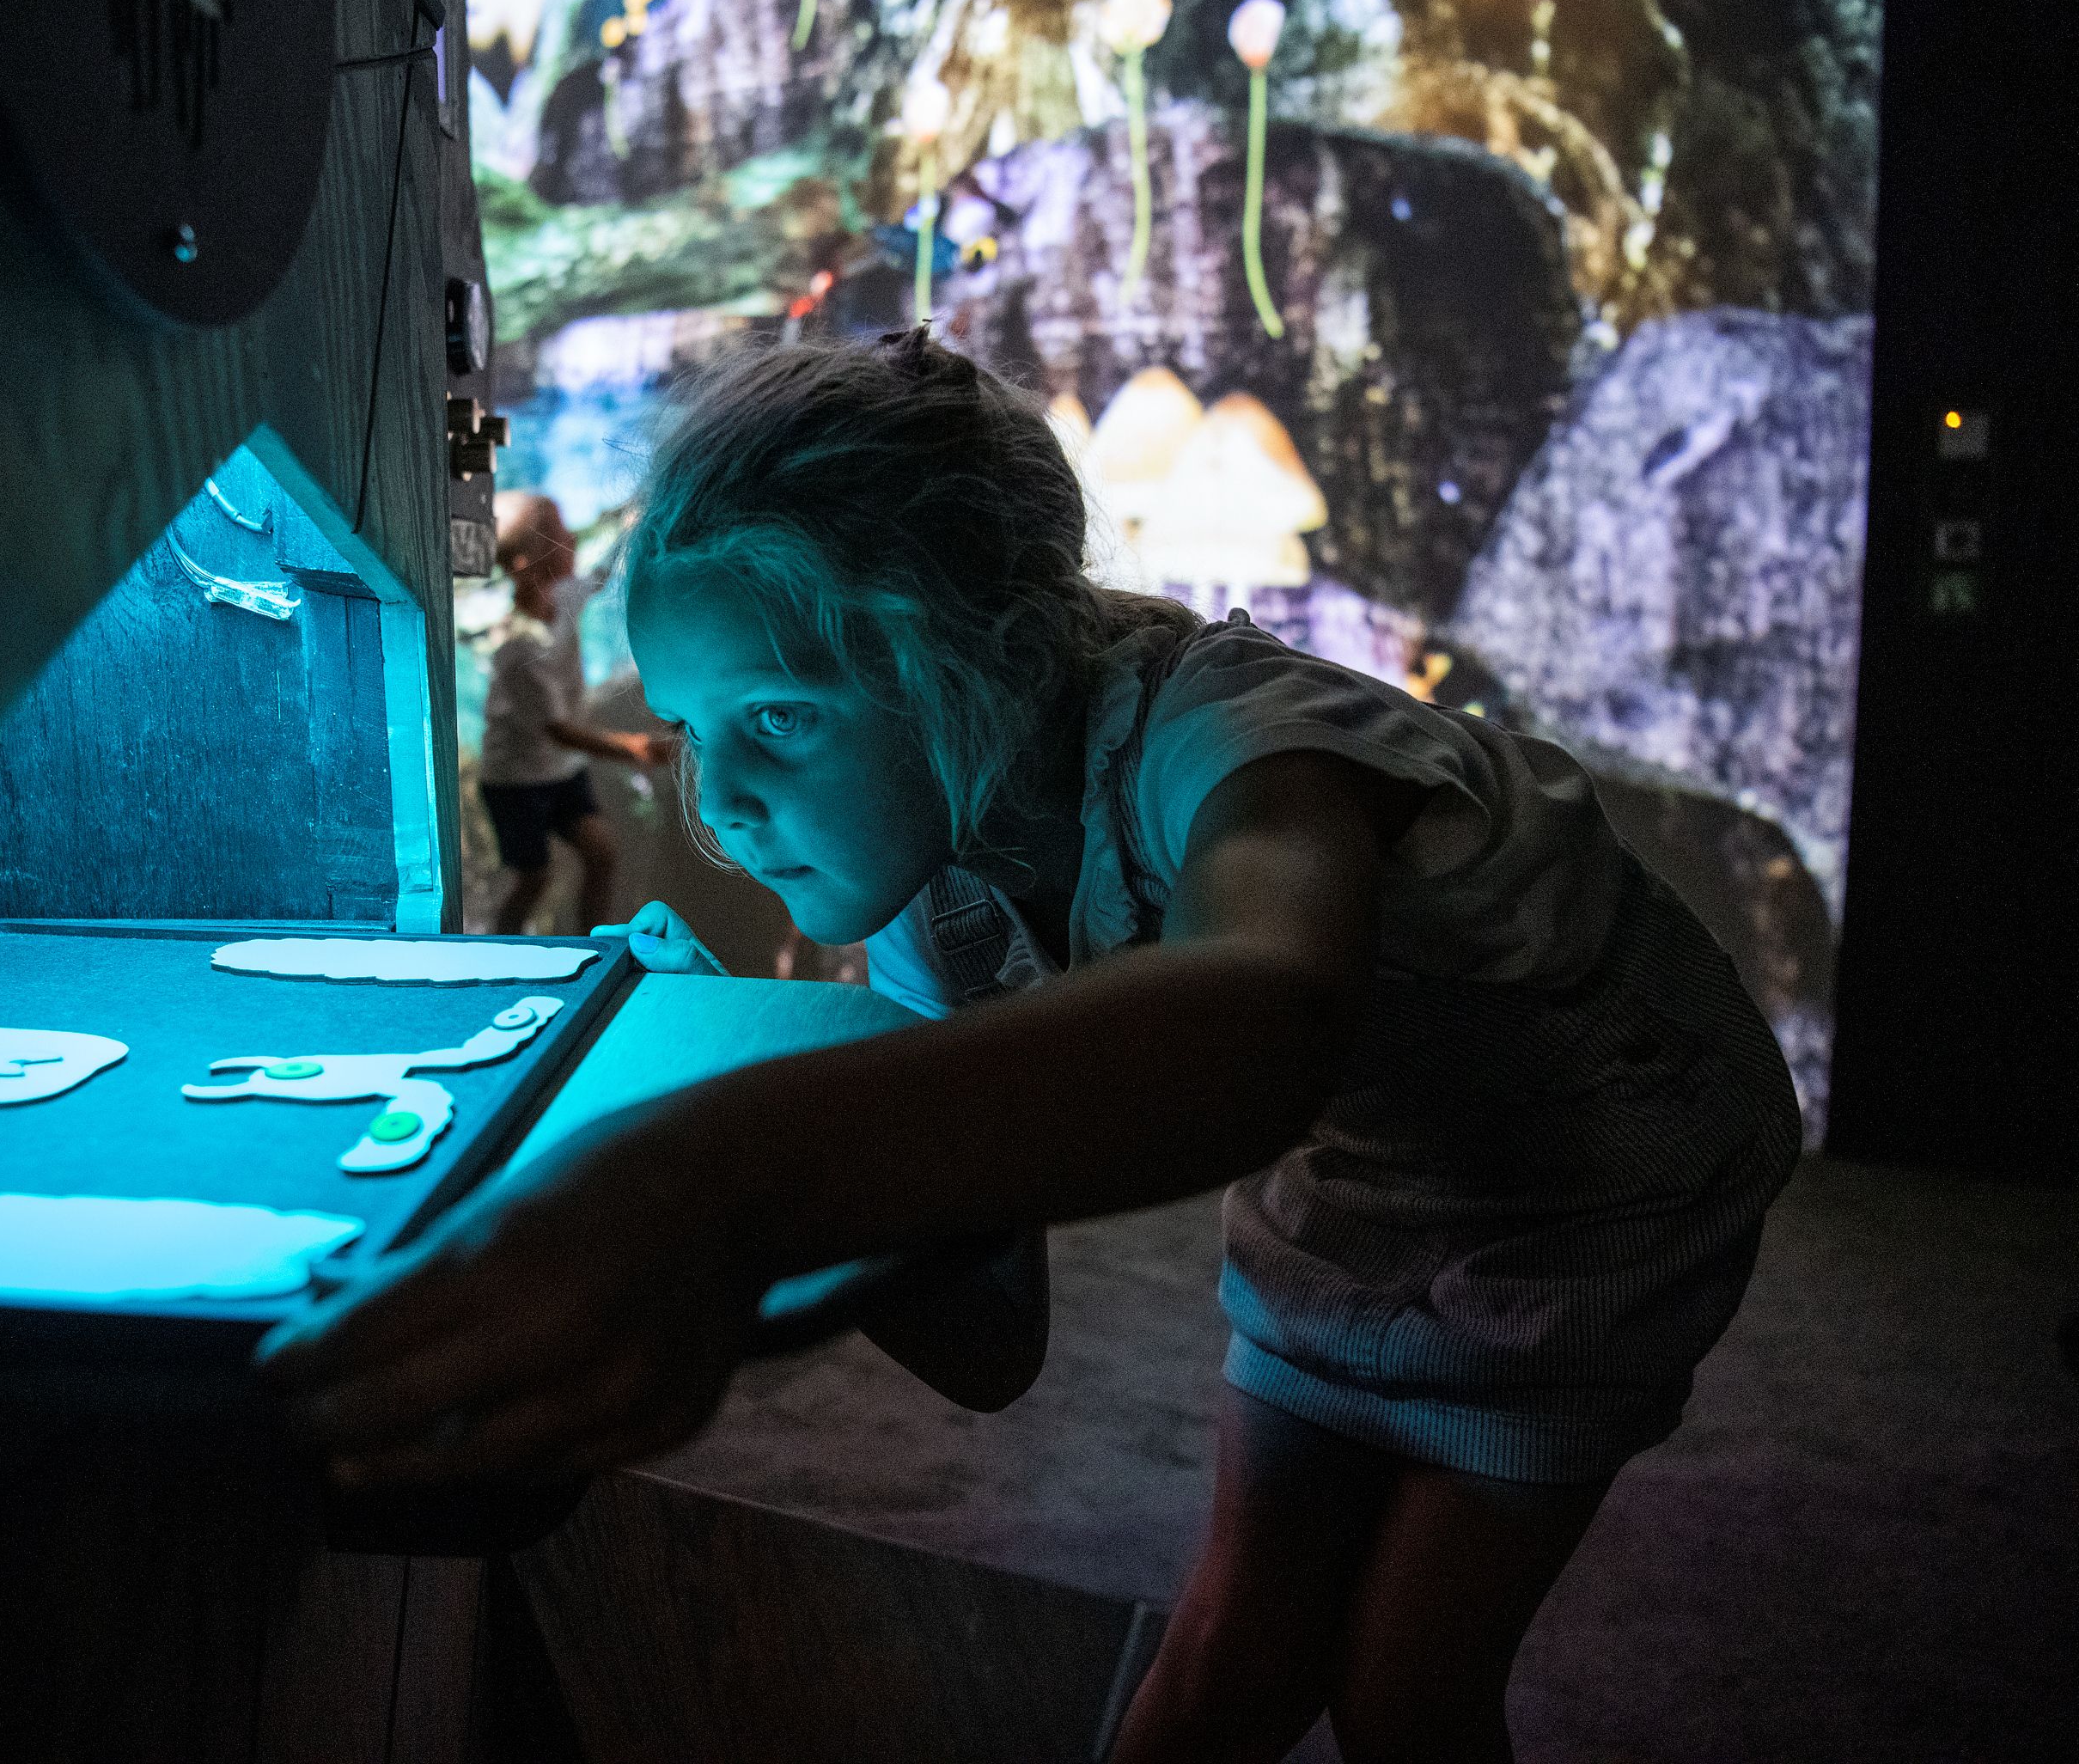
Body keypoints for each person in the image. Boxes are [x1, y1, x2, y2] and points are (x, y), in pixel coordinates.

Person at [262, 333, 1802, 1763]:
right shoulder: (944, 906)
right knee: (1232, 1654)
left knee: (1407, 1690)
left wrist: (719, 1175)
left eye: (780, 716)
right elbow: (990, 1330)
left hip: (1593, 1169)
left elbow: (1267, 1012)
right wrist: (729, 1072)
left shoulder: (1241, 739)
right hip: (1355, 1165)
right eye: (686, 731)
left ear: (967, 656)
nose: (714, 799)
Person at [477, 492, 673, 935]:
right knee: (533, 878)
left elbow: (600, 576)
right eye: (556, 533)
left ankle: (595, 947)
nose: (569, 537)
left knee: (601, 854)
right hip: (515, 781)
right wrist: (633, 747)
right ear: (527, 561)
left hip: (560, 771)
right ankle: (494, 950)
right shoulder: (518, 646)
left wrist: (632, 526)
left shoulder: (563, 597)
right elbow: (558, 730)